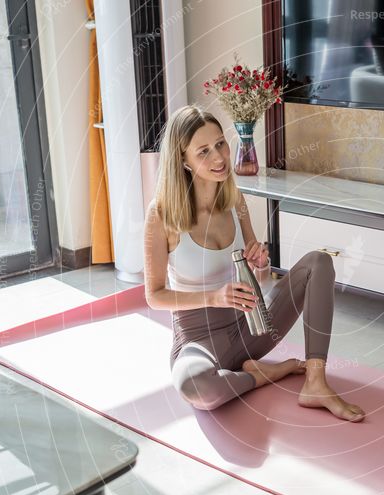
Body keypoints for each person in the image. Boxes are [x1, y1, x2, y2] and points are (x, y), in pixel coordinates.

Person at [143, 105, 365, 422]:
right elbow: (154, 295)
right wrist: (215, 296)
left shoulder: (234, 199)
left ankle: (315, 381)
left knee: (319, 262)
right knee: (198, 389)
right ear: (183, 160)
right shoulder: (162, 213)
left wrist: (261, 264)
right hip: (199, 341)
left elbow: (258, 277)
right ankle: (261, 375)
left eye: (220, 143)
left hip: (252, 327)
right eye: (203, 151)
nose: (219, 158)